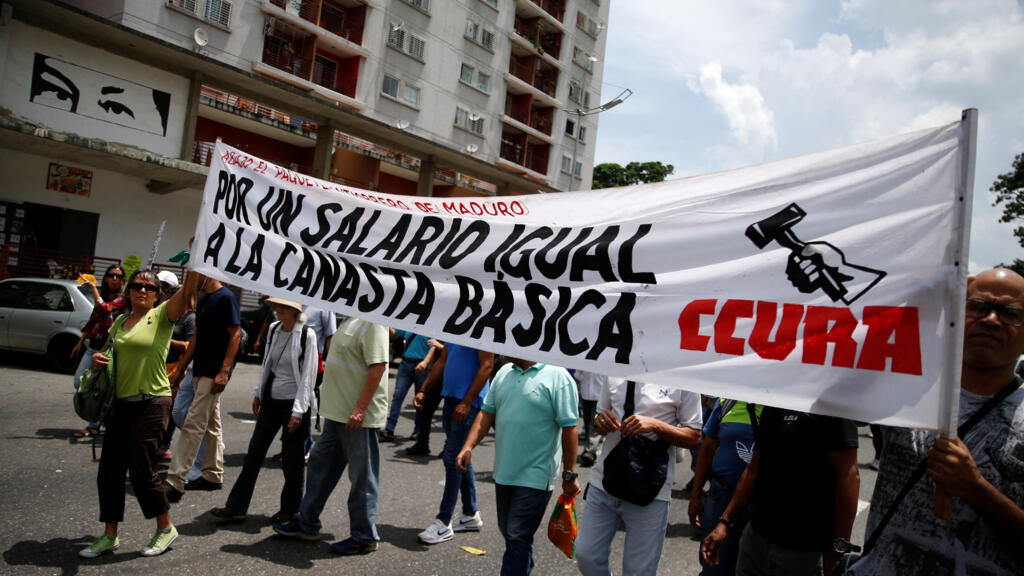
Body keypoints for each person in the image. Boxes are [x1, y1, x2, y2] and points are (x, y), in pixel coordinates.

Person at [846, 269, 1024, 576]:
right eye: (978, 306)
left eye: (1010, 313)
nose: (991, 319)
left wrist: (975, 489)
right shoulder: (907, 390)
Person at [78, 268, 196, 559]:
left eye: (149, 287)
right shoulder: (119, 322)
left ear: (158, 294)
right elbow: (107, 352)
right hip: (121, 403)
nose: (142, 290)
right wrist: (97, 359)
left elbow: (190, 287)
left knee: (142, 469)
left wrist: (197, 256)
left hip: (152, 402)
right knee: (109, 471)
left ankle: (165, 528)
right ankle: (109, 535)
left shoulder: (162, 316)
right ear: (128, 291)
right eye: (136, 286)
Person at [273, 314, 389, 556]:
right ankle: (307, 522)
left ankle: (364, 537)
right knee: (319, 467)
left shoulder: (373, 321)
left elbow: (378, 366)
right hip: (337, 414)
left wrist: (360, 408)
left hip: (357, 418)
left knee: (362, 478)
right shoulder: (349, 319)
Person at [702, 403, 859, 576]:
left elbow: (849, 477)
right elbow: (753, 470)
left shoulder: (831, 407)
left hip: (804, 549)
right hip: (757, 539)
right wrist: (725, 521)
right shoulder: (776, 404)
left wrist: (838, 548)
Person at [457, 357, 580, 575]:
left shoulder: (558, 376)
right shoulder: (504, 372)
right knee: (510, 533)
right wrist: (468, 446)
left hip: (537, 474)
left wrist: (569, 475)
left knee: (517, 534)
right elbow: (486, 413)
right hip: (505, 471)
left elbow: (569, 427)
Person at [575, 379, 703, 576]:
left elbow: (694, 436)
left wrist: (656, 426)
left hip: (651, 489)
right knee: (586, 555)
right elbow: (598, 418)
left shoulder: (682, 374)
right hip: (605, 480)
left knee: (639, 571)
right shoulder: (617, 365)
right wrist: (601, 421)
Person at [211, 298, 317, 524]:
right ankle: (236, 506)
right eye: (276, 306)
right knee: (254, 454)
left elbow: (308, 376)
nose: (278, 310)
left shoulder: (307, 335)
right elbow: (268, 362)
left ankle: (290, 510)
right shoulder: (274, 329)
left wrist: (298, 411)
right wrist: (258, 392)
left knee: (292, 460)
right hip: (271, 399)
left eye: (284, 306)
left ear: (295, 310)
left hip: (294, 403)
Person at [164, 273, 241, 501]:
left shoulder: (225, 297)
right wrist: (180, 370)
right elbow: (196, 337)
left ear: (206, 274)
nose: (191, 279)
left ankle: (175, 481)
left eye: (195, 274)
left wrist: (225, 371)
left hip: (214, 373)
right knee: (211, 425)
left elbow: (235, 334)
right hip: (199, 369)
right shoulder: (204, 299)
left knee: (193, 424)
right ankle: (213, 475)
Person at [416, 344, 493, 544]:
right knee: (460, 457)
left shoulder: (483, 328)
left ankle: (444, 522)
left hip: (468, 402)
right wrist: (424, 388)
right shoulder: (456, 328)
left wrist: (467, 402)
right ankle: (469, 514)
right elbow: (442, 361)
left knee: (452, 458)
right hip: (451, 399)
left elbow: (487, 365)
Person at [689, 399, 761, 576]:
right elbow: (707, 447)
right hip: (721, 497)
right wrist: (696, 495)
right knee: (713, 567)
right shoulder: (727, 402)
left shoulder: (784, 406)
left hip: (761, 504)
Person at [71, 264, 126, 438]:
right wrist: (80, 342)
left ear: (123, 280)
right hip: (93, 346)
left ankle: (94, 424)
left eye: (118, 276)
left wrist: (94, 288)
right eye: (111, 275)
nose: (114, 279)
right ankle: (100, 419)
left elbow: (104, 309)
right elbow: (94, 318)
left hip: (107, 348)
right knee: (79, 382)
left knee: (99, 386)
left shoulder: (122, 299)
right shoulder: (102, 296)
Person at [156, 271, 195, 461]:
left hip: (177, 369)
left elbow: (190, 345)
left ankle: (164, 444)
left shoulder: (190, 319)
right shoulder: (169, 315)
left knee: (171, 410)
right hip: (160, 366)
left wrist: (167, 341)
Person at [382, 330, 438, 442]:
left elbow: (434, 346)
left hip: (422, 366)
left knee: (419, 400)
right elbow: (394, 335)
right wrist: (386, 322)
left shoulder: (431, 325)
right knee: (398, 396)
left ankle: (418, 431)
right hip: (406, 364)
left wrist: (426, 362)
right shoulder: (409, 323)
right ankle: (389, 429)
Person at [572, 369, 607, 467]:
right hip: (586, 394)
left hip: (600, 396)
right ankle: (588, 449)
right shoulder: (585, 363)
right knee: (587, 423)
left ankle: (590, 451)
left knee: (594, 424)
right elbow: (578, 376)